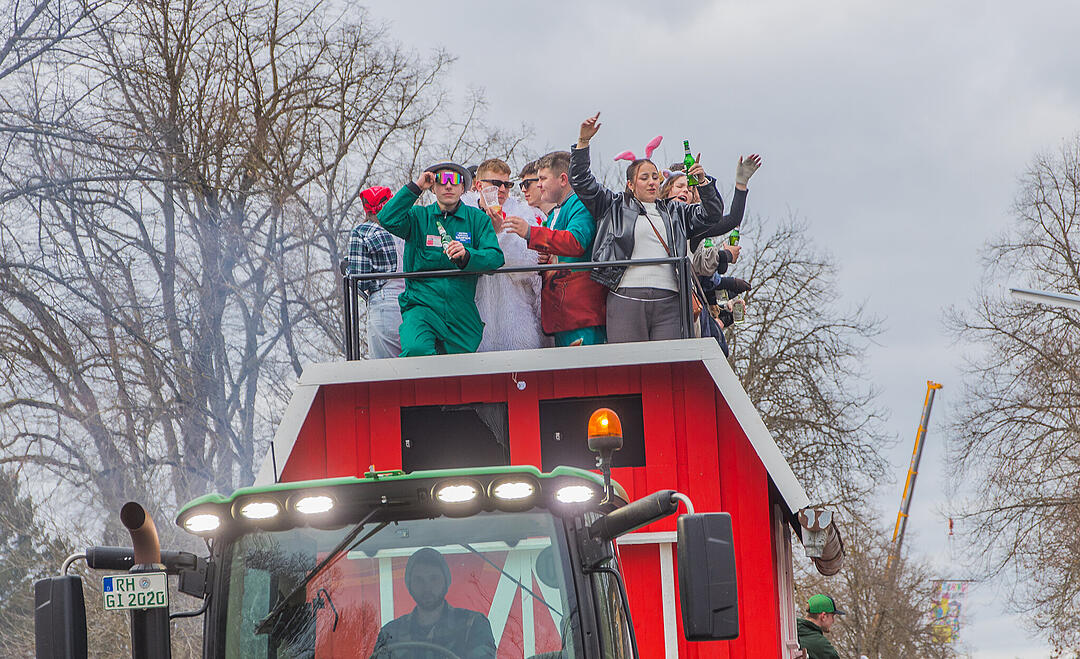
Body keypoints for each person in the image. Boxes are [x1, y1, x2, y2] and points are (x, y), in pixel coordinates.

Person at [570, 112, 738, 343]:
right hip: (626, 295)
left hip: (670, 298)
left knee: (667, 365)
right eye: (644, 177)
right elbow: (581, 181)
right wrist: (583, 142)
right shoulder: (613, 206)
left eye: (655, 177)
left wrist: (703, 182)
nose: (651, 182)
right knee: (630, 365)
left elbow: (712, 215)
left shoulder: (675, 212)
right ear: (630, 184)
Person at [378, 162, 504, 356]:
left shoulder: (477, 219)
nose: (448, 186)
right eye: (441, 180)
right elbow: (387, 218)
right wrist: (417, 186)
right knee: (416, 349)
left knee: (458, 370)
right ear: (433, 188)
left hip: (461, 312)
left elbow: (495, 257)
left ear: (463, 188)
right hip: (422, 306)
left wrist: (468, 255)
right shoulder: (418, 216)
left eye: (454, 180)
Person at [504, 151, 607, 346]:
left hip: (580, 313)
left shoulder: (580, 204)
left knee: (582, 375)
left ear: (563, 179)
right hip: (563, 315)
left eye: (542, 178)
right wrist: (545, 258)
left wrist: (530, 233)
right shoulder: (553, 216)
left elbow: (576, 241)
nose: (539, 184)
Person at [462, 158, 545, 351]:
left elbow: (527, 265)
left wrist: (499, 234)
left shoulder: (522, 214)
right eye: (495, 183)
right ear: (478, 185)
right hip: (475, 308)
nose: (502, 189)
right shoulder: (462, 213)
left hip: (514, 312)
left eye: (507, 184)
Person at [369, 548, 496, 658]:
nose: (427, 588)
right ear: (409, 584)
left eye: (434, 579)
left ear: (445, 582)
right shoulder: (390, 633)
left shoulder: (473, 625)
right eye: (419, 580)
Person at [347, 186, 406, 359]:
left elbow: (361, 280)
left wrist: (350, 270)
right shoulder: (406, 227)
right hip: (413, 303)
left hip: (384, 305)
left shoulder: (362, 232)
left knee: (386, 373)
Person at [797, 594, 844, 659]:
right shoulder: (823, 647)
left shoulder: (790, 633)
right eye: (832, 616)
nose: (833, 621)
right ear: (823, 616)